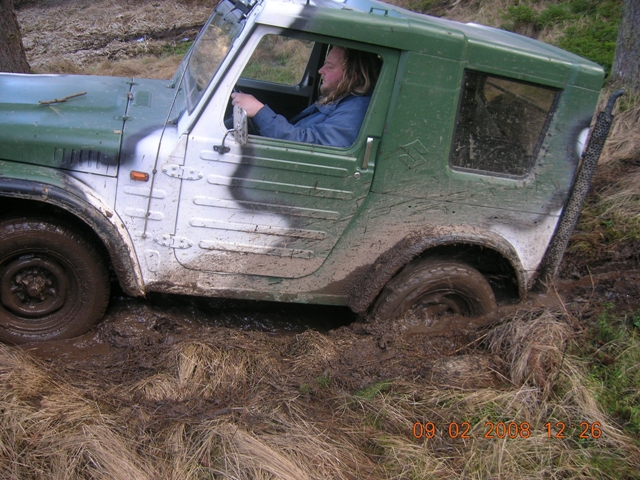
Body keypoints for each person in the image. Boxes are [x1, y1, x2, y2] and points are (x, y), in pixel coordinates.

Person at [230, 46, 380, 148]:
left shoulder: (355, 110)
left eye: (330, 66)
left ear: (352, 77)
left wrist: (259, 111)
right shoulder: (340, 98)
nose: (321, 70)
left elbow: (310, 146)